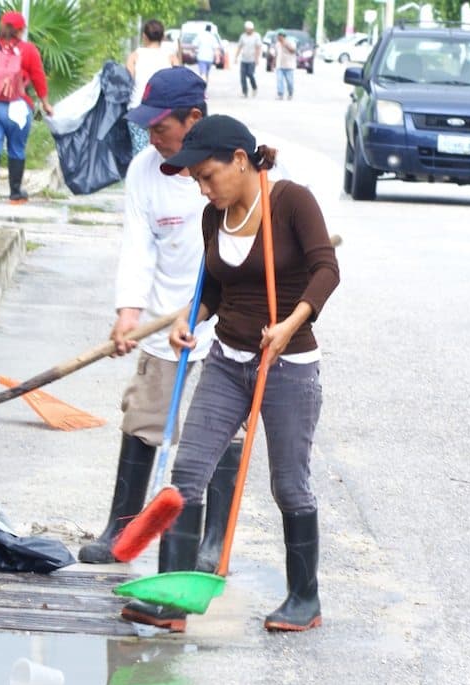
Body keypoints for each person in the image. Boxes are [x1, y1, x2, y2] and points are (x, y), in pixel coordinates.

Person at [121, 115, 340, 634]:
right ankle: (171, 599)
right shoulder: (211, 216)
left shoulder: (290, 202)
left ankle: (303, 599)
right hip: (227, 361)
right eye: (195, 179)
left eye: (207, 175)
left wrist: (290, 323)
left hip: (287, 363)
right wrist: (187, 318)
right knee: (189, 472)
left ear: (239, 161)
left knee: (289, 485)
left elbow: (327, 269)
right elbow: (214, 294)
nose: (202, 187)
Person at [77, 68, 243, 578]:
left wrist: (222, 306)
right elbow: (138, 247)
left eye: (161, 126)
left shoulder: (230, 165)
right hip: (165, 318)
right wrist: (129, 313)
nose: (152, 136)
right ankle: (121, 529)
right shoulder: (144, 171)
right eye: (147, 127)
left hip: (229, 320)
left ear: (194, 118)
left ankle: (213, 542)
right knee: (143, 418)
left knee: (220, 431)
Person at [0, 11, 53, 205]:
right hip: (17, 107)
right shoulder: (29, 50)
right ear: (20, 30)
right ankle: (15, 194)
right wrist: (45, 103)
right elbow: (38, 78)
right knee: (16, 148)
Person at [126, 19, 179, 156]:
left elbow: (127, 81)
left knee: (140, 154)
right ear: (162, 37)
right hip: (164, 112)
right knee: (163, 154)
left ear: (144, 36)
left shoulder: (134, 56)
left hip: (137, 109)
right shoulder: (171, 58)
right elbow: (180, 82)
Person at [234, 20, 263, 98]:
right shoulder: (243, 36)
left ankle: (254, 87)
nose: (247, 30)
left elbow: (258, 47)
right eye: (246, 29)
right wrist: (236, 57)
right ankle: (244, 92)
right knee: (242, 76)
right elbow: (240, 46)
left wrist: (257, 58)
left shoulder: (256, 36)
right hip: (244, 59)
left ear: (252, 29)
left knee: (250, 74)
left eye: (249, 29)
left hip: (252, 59)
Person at [273, 31, 297, 99]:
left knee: (290, 82)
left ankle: (290, 93)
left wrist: (286, 45)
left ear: (283, 36)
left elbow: (293, 51)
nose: (278, 38)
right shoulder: (277, 44)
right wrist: (273, 63)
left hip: (289, 66)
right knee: (279, 80)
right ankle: (280, 94)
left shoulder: (290, 42)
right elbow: (276, 54)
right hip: (279, 66)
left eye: (279, 36)